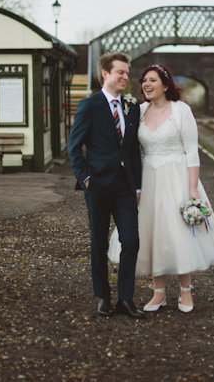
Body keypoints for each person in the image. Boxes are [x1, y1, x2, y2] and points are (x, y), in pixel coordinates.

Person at [110, 64, 214, 313]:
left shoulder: (181, 110)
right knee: (153, 234)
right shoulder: (138, 111)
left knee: (179, 234)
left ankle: (186, 292)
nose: (146, 85)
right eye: (143, 81)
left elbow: (191, 150)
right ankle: (158, 293)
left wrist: (193, 188)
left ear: (165, 84)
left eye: (152, 80)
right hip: (148, 179)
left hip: (177, 177)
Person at [67, 52, 145, 319]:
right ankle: (103, 297)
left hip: (125, 187)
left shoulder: (131, 106)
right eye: (120, 72)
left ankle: (126, 298)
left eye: (126, 72)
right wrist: (86, 179)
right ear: (105, 74)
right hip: (98, 185)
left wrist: (137, 187)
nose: (126, 77)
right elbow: (74, 147)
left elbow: (132, 149)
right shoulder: (89, 105)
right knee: (99, 243)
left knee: (131, 241)